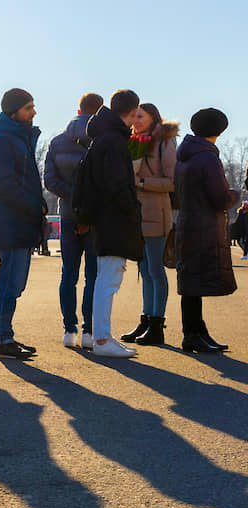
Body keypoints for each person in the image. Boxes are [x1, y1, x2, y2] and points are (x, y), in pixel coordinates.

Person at [77, 90, 144, 357]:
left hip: (104, 217)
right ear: (132, 110)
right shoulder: (114, 141)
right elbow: (117, 184)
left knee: (105, 277)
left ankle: (101, 337)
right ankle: (102, 339)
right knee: (109, 278)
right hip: (114, 218)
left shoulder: (102, 137)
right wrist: (132, 209)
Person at [0, 88, 46, 358]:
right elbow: (5, 185)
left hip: (21, 220)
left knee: (15, 283)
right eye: (28, 108)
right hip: (13, 220)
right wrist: (34, 205)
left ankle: (5, 336)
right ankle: (1, 339)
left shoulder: (16, 138)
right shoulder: (3, 141)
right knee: (9, 282)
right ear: (14, 113)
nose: (33, 112)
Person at [174, 108, 240, 352]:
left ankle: (197, 331)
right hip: (203, 227)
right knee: (194, 282)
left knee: (190, 281)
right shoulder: (207, 158)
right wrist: (235, 194)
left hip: (187, 222)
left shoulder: (186, 156)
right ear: (219, 131)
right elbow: (220, 198)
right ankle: (192, 334)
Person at [43, 93, 103, 349]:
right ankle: (90, 331)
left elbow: (49, 180)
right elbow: (106, 181)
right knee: (94, 275)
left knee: (69, 273)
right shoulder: (103, 141)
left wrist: (73, 198)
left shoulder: (57, 142)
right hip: (97, 217)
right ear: (101, 112)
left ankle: (69, 329)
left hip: (67, 214)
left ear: (78, 110)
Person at [119, 103, 178, 346]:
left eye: (140, 116)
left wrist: (141, 181)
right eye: (133, 116)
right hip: (136, 216)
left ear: (153, 117)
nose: (135, 120)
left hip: (156, 213)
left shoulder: (164, 142)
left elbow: (172, 182)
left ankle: (157, 324)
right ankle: (145, 320)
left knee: (155, 270)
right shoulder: (133, 142)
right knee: (143, 272)